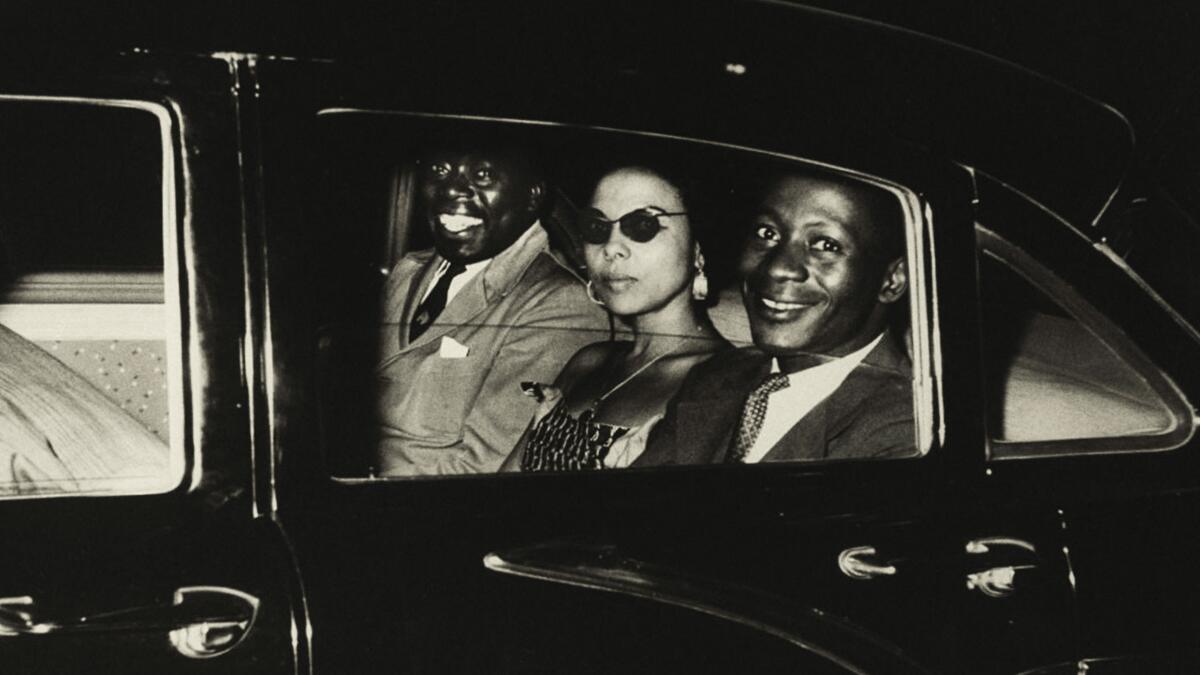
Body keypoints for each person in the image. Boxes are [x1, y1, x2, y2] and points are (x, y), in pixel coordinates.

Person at [634, 171, 915, 465]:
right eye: (767, 234)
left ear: (892, 281)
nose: (777, 268)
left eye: (825, 245)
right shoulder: (716, 376)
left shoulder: (908, 430)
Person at [375, 144, 610, 476]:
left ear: (532, 196)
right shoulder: (409, 269)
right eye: (440, 171)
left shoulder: (559, 303)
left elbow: (483, 469)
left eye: (482, 175)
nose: (451, 189)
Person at [502, 165, 729, 471]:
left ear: (697, 251)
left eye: (642, 226)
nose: (611, 248)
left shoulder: (722, 382)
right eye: (597, 228)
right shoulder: (589, 361)